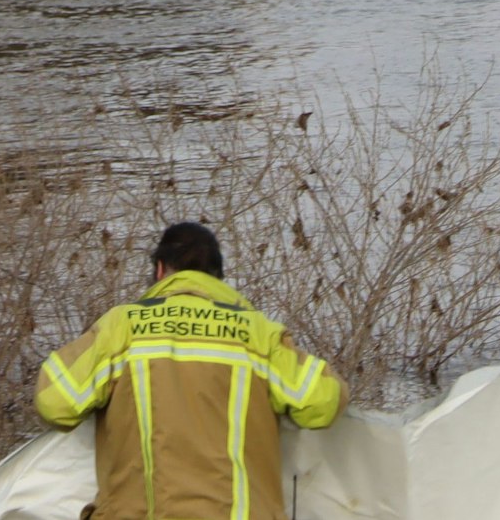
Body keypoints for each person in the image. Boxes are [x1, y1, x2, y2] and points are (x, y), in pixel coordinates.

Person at [35, 222, 348, 520]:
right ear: (218, 278)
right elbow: (322, 404)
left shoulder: (122, 327)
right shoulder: (258, 333)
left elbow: (56, 403)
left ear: (160, 270)